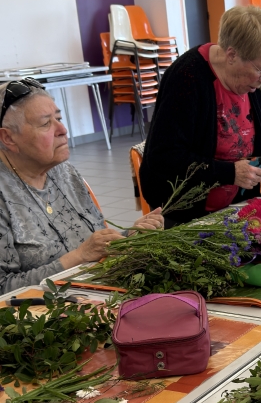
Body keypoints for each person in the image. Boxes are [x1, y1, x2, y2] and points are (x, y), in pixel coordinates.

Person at [0, 79, 163, 295]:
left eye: (59, 118)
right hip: (43, 307)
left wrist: (128, 236)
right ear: (8, 138)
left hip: (95, 289)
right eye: (46, 123)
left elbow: (95, 243)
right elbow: (3, 288)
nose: (63, 130)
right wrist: (78, 257)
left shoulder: (64, 172)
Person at [140, 6, 261, 225]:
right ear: (232, 55)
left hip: (234, 206)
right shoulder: (187, 77)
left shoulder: (248, 83)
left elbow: (247, 145)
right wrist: (229, 173)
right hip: (185, 212)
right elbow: (165, 157)